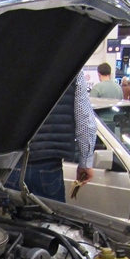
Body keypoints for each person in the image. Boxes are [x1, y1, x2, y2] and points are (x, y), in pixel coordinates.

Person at [10, 72, 96, 202]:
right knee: (48, 214)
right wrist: (85, 162)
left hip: (8, 164)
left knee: (2, 214)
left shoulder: (4, 62)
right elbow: (85, 121)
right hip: (48, 165)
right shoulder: (71, 65)